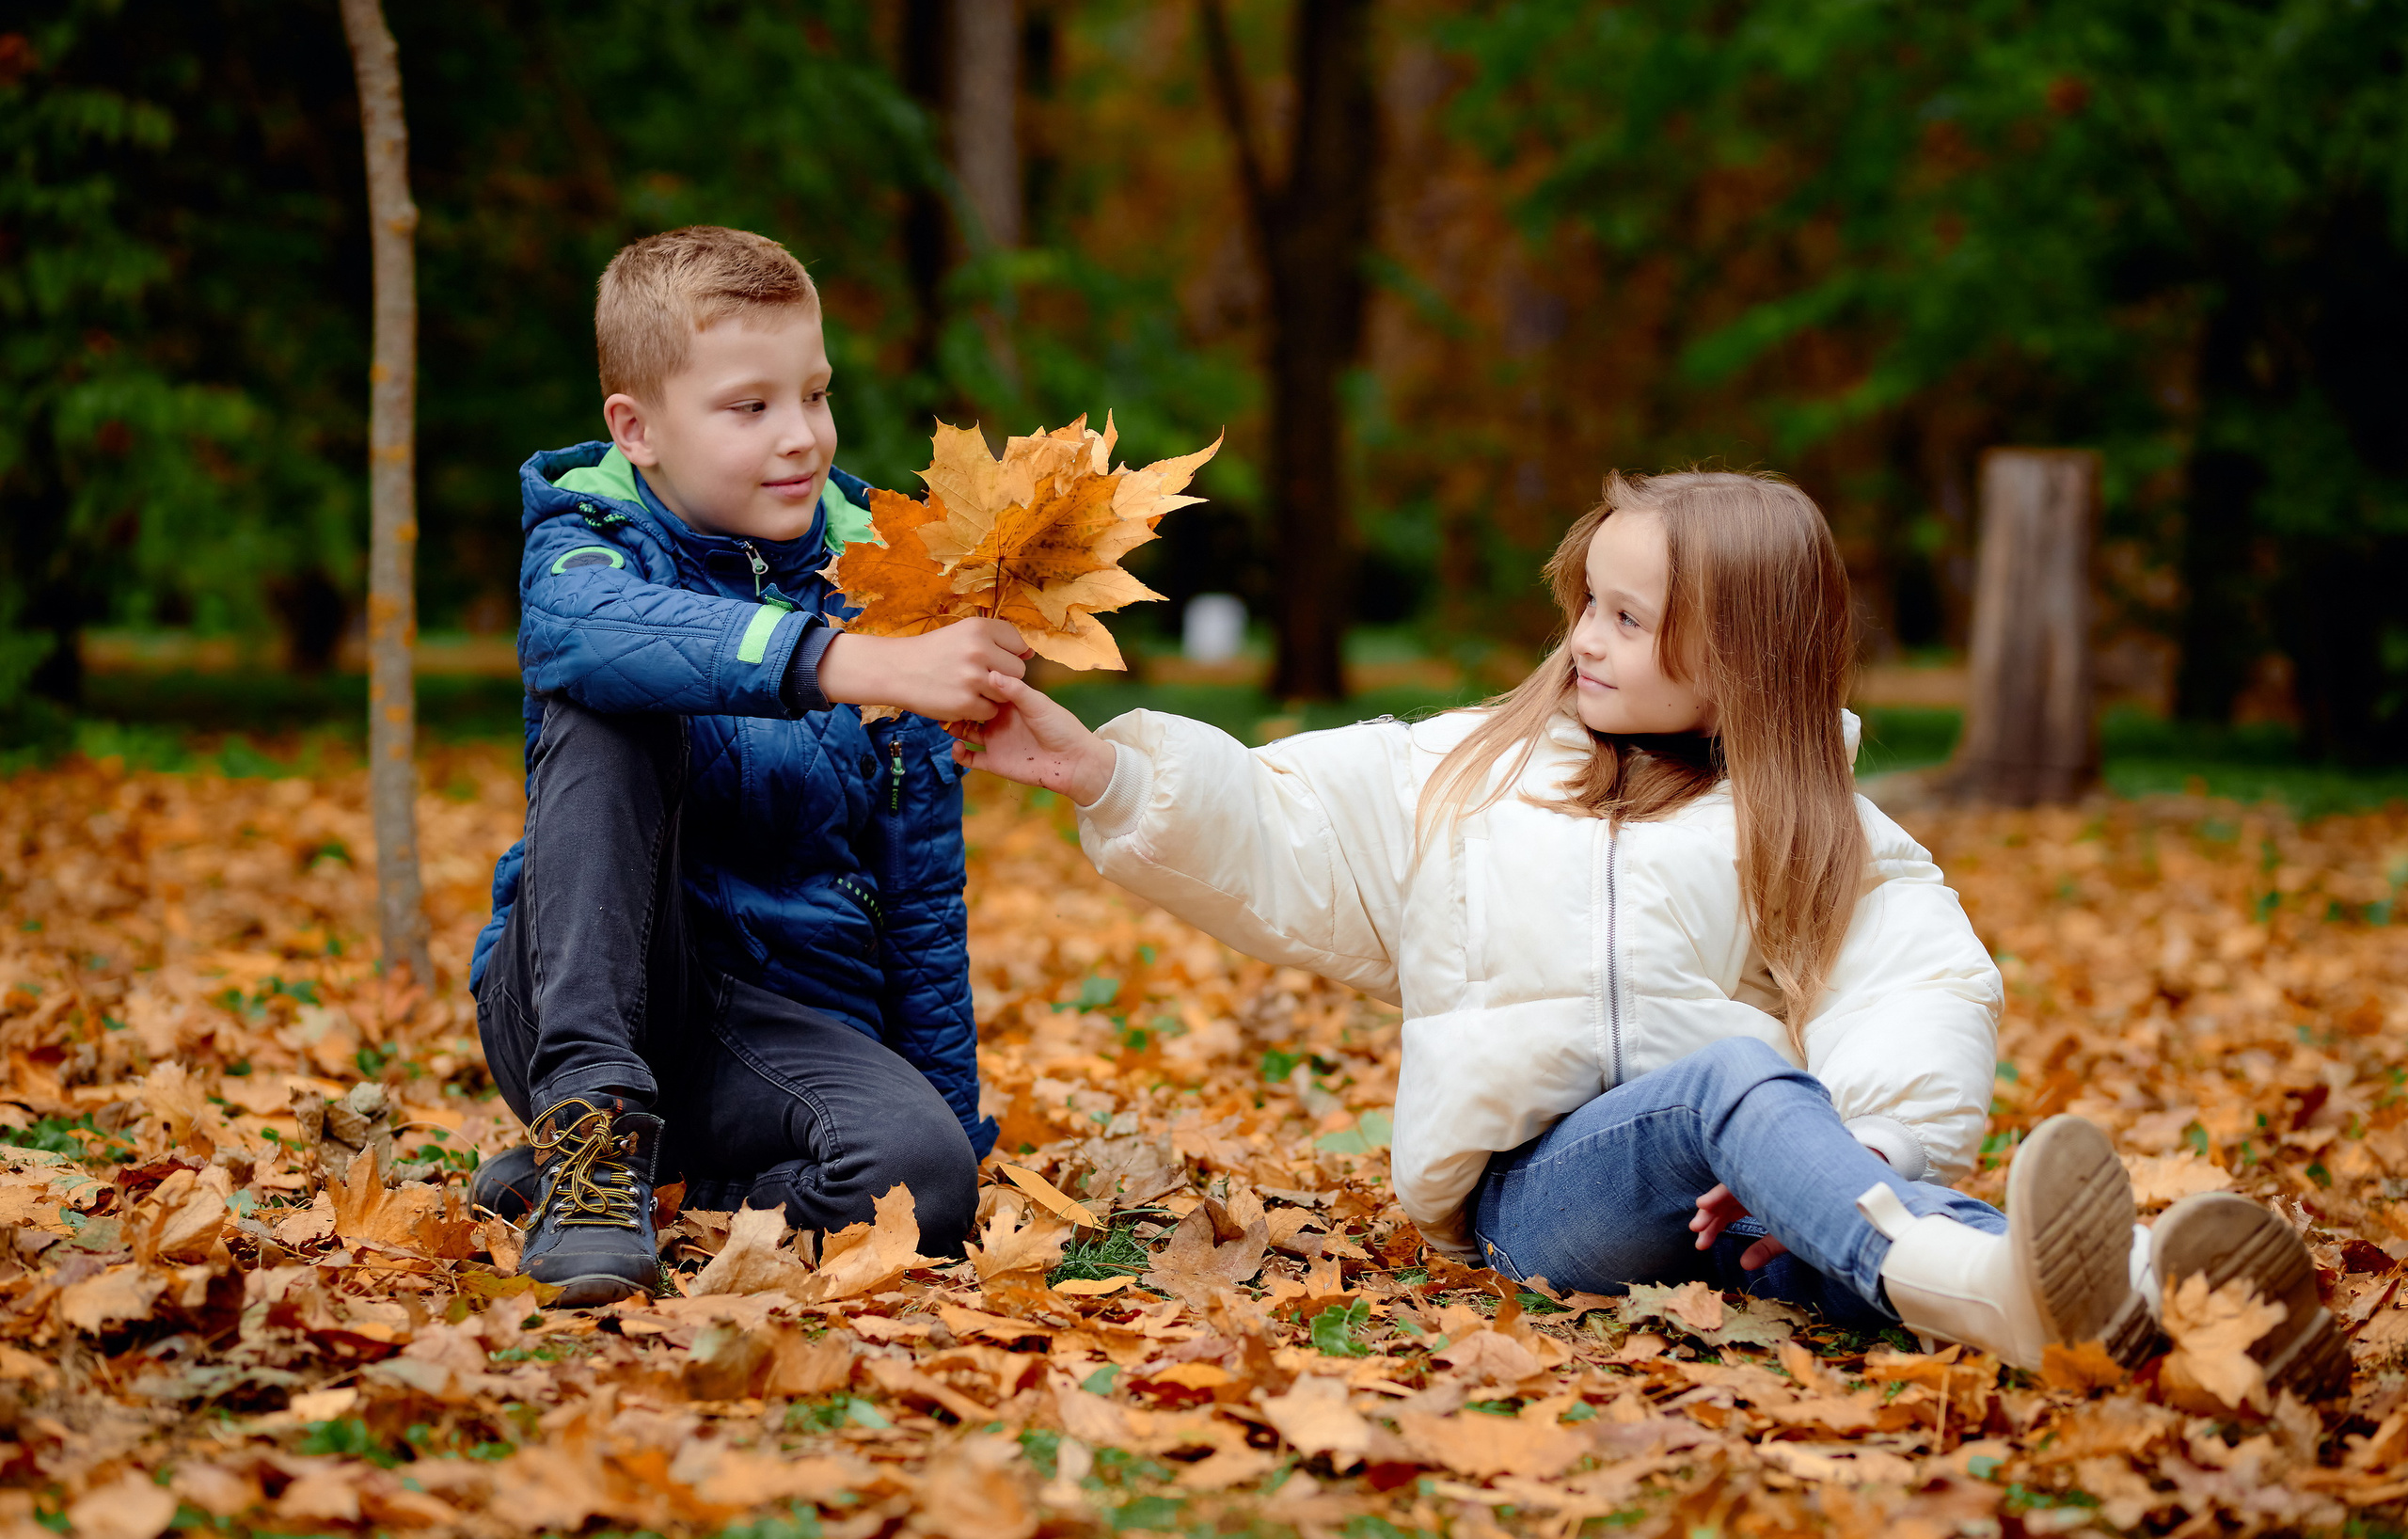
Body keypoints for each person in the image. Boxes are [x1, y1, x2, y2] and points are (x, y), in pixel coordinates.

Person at [956, 469, 2344, 1390]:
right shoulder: (1471, 772)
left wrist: (1864, 1148)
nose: (1587, 640)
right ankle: (2037, 1275)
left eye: (1629, 616)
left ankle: (2151, 1310)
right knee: (1741, 1085)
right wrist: (1106, 771)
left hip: (1742, 1212)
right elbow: (1282, 826)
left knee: (1822, 1168)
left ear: (1738, 655)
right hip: (1549, 1205)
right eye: (1587, 605)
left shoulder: (1813, 821)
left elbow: (1920, 981)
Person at [466, 226, 1031, 1306]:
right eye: (750, 407)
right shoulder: (590, 538)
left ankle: (647, 1180)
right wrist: (840, 660)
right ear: (636, 430)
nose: (802, 438)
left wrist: (949, 1128)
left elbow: (919, 894)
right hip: (577, 994)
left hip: (773, 1033)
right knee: (615, 690)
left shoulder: (887, 578)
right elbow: (581, 628)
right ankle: (589, 1145)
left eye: (813, 395)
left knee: (919, 1184)